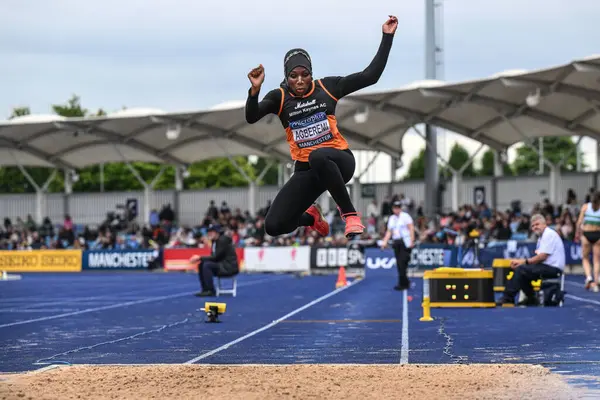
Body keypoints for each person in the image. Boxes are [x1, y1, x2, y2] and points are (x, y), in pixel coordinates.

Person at [245, 15, 398, 239]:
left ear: (311, 74)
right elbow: (251, 116)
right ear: (286, 77)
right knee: (274, 226)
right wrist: (254, 92)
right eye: (293, 76)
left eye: (304, 75)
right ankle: (311, 217)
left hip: (339, 161)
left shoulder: (327, 87)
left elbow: (370, 76)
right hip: (307, 171)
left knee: (318, 156)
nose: (299, 80)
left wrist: (387, 36)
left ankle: (350, 215)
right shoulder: (279, 97)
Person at [497, 214, 565, 306]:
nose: (535, 227)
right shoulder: (542, 237)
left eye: (537, 224)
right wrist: (522, 263)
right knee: (522, 270)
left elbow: (542, 257)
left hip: (553, 268)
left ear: (544, 224)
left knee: (521, 270)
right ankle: (531, 298)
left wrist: (523, 262)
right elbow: (539, 258)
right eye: (533, 226)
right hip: (549, 266)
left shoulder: (548, 234)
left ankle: (508, 298)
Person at [189, 225, 239, 297]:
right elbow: (214, 257)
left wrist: (199, 257)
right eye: (208, 232)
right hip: (221, 264)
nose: (209, 234)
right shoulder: (214, 241)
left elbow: (215, 257)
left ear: (217, 233)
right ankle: (205, 289)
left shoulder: (222, 240)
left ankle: (210, 290)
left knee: (207, 265)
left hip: (228, 267)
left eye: (211, 232)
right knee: (202, 264)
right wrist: (201, 259)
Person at [380, 201, 415, 291]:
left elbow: (411, 228)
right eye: (395, 207)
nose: (396, 209)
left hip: (405, 242)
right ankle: (405, 282)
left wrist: (412, 240)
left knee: (402, 262)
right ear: (393, 208)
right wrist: (384, 242)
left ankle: (402, 283)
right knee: (400, 264)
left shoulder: (405, 216)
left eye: (398, 207)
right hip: (396, 242)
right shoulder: (391, 218)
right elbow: (389, 231)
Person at [575, 191, 600, 292]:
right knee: (597, 259)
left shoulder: (585, 207)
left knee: (585, 258)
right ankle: (596, 280)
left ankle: (589, 277)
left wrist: (577, 234)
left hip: (587, 234)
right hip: (597, 234)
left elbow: (579, 222)